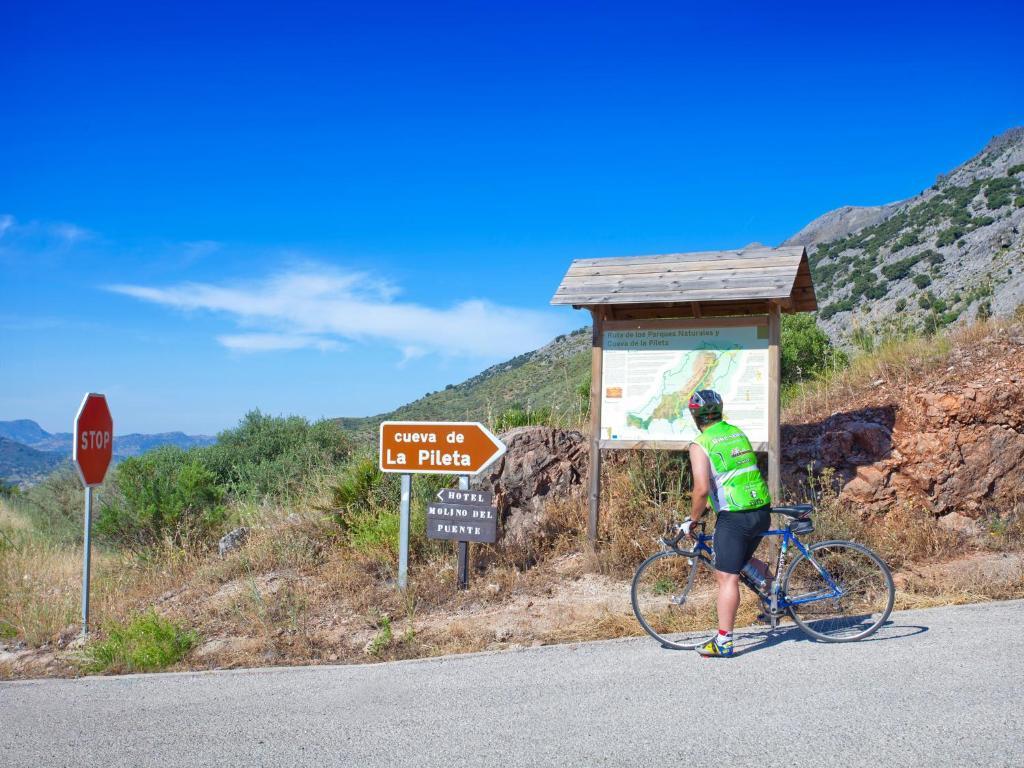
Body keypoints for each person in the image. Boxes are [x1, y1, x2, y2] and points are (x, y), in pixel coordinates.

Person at [681, 389, 772, 658]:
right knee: (740, 559)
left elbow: (700, 489)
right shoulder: (737, 433)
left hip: (735, 514)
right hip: (761, 508)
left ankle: (724, 642)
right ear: (720, 410)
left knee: (726, 576)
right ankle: (776, 599)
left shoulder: (701, 443)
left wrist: (692, 520)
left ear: (695, 415)